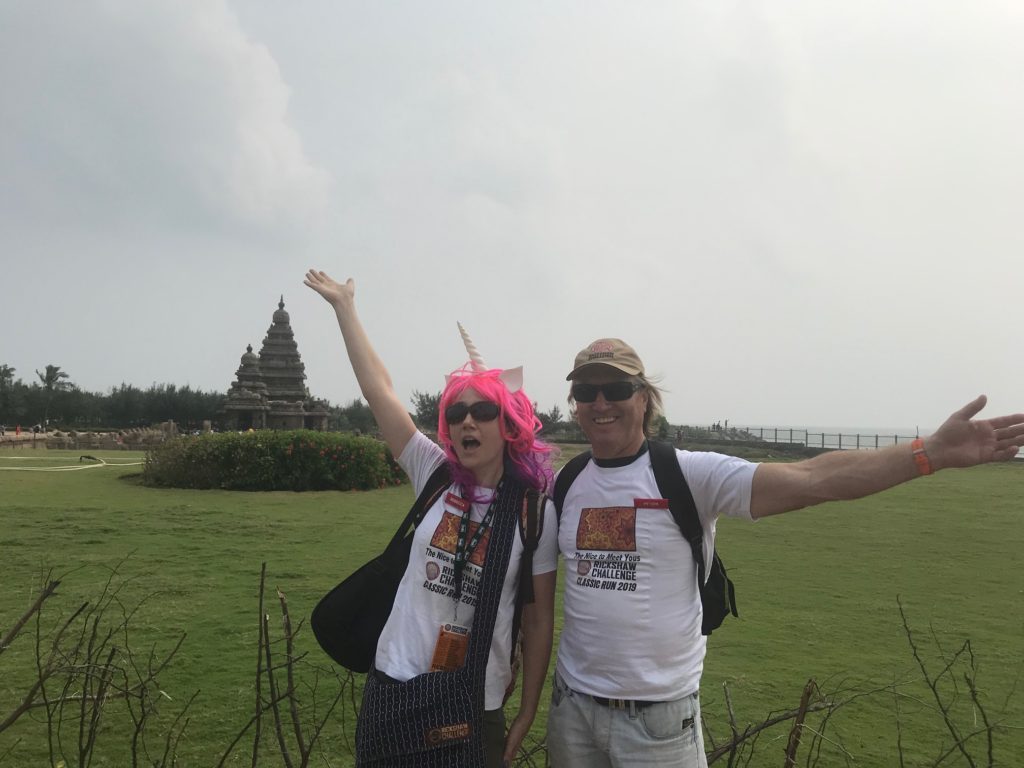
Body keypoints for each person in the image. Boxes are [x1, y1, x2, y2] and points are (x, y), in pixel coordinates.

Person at [547, 337, 1024, 768]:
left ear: (644, 397)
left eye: (616, 388)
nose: (601, 402)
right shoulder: (565, 482)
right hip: (571, 711)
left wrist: (930, 453)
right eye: (586, 392)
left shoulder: (689, 475)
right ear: (575, 404)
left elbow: (814, 478)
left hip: (656, 723)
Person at [304, 269, 557, 768]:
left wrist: (528, 710)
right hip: (394, 686)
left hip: (473, 704)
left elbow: (537, 616)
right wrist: (346, 310)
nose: (468, 421)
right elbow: (381, 390)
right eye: (457, 412)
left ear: (509, 424)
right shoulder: (433, 473)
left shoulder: (533, 513)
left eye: (484, 410)